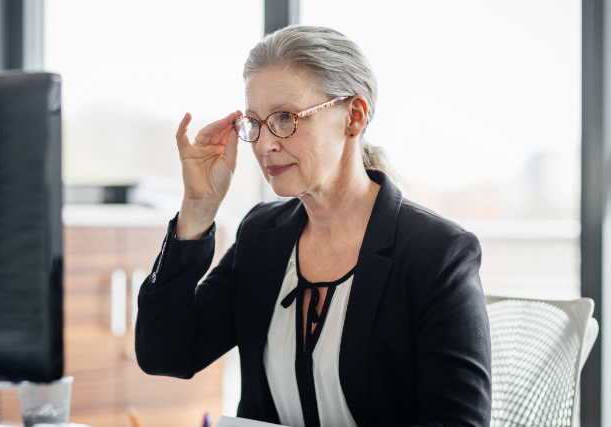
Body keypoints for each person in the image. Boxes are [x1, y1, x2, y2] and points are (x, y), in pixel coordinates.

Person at [135, 25, 491, 427]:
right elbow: (165, 354)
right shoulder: (261, 236)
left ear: (353, 117)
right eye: (254, 122)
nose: (265, 144)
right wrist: (197, 211)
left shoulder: (437, 253)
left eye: (285, 118)